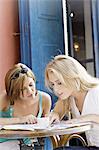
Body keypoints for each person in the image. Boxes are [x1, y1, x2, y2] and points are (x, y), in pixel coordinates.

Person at [45, 54, 99, 149]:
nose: (56, 90)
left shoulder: (96, 91)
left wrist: (86, 118)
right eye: (53, 84)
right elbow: (56, 112)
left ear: (71, 76)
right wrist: (54, 115)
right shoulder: (68, 98)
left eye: (59, 83)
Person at [0, 63, 51, 150]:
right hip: (4, 144)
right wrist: (21, 120)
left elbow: (46, 126)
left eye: (31, 85)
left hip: (31, 146)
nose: (30, 91)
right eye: (22, 89)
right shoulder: (5, 98)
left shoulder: (45, 99)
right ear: (14, 91)